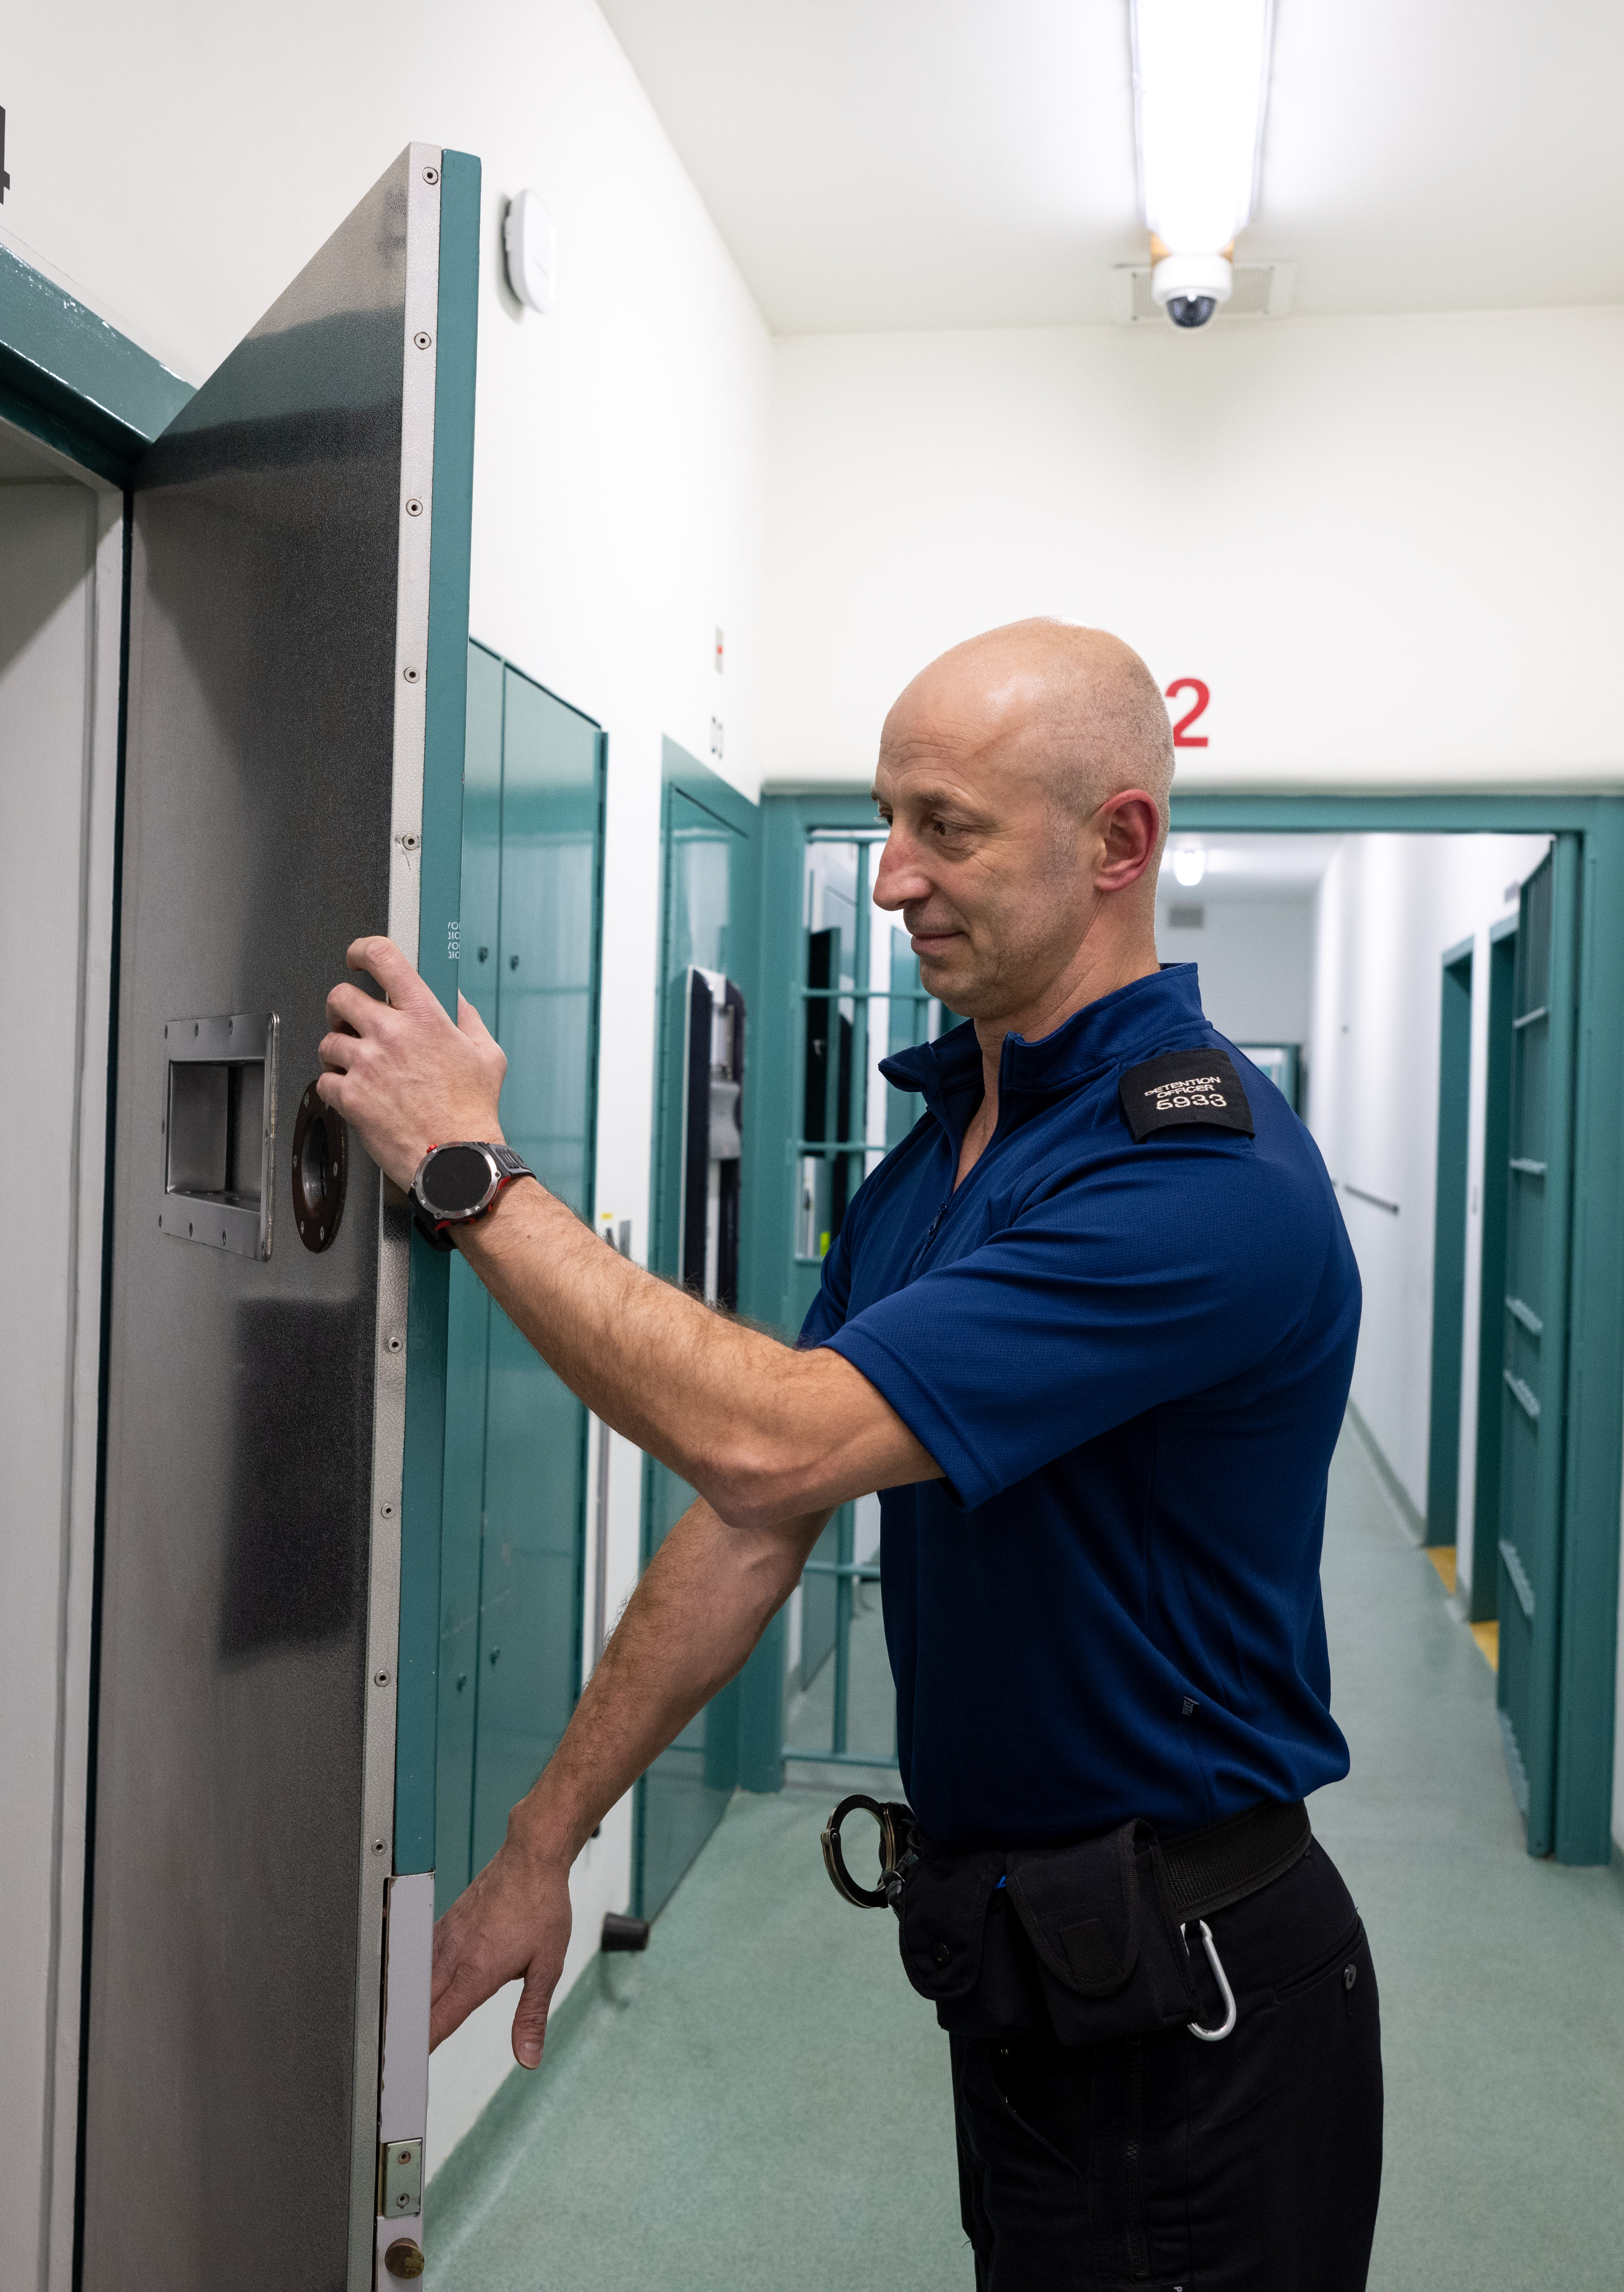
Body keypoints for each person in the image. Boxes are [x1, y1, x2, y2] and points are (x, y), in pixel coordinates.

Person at [314, 617, 1380, 2289]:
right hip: (1031, 1961)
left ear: (1121, 843)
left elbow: (761, 1435)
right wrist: (545, 1840)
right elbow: (764, 1515)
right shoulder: (947, 1155)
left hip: (1194, 1994)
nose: (891, 881)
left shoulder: (1197, 1183)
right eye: (888, 822)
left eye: (946, 828)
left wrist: (471, 1170)